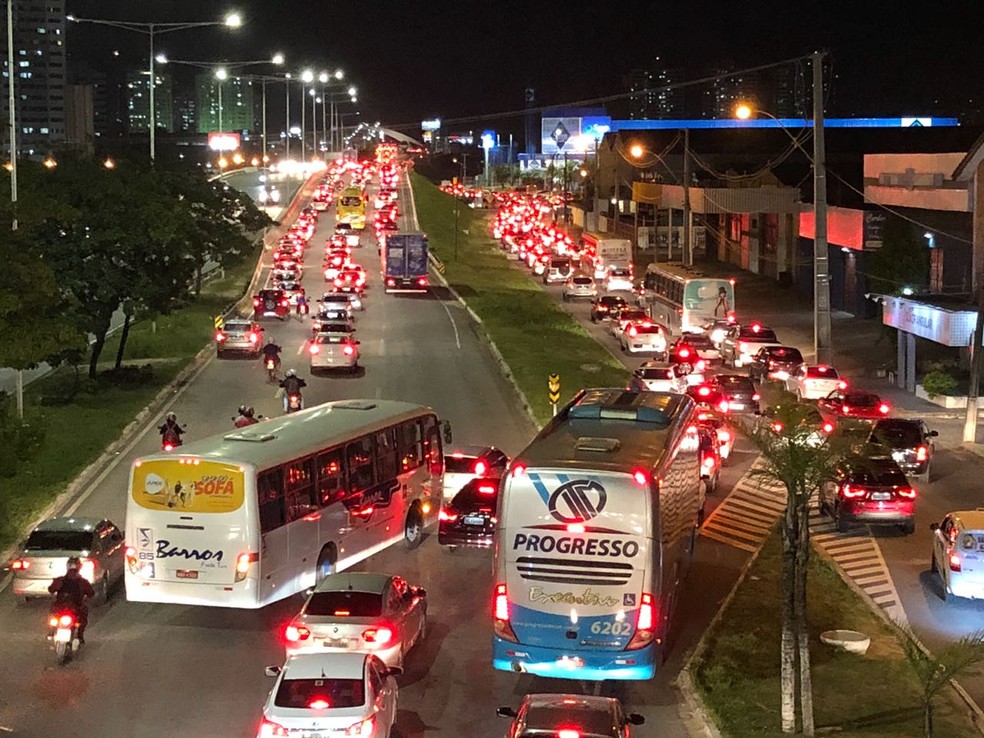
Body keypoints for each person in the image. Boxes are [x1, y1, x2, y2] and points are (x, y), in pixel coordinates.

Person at [48, 557, 95, 644]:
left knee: (53, 612)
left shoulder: (60, 580)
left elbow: (51, 590)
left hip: (60, 606)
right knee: (83, 617)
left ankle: (51, 631)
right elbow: (91, 593)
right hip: (75, 607)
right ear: (79, 567)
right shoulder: (83, 582)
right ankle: (79, 636)